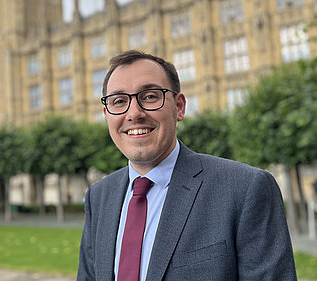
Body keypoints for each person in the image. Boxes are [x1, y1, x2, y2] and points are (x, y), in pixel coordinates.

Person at [77, 50, 296, 281]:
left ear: (179, 107)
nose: (134, 113)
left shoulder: (245, 189)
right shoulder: (99, 197)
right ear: (106, 114)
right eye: (119, 101)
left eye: (150, 96)